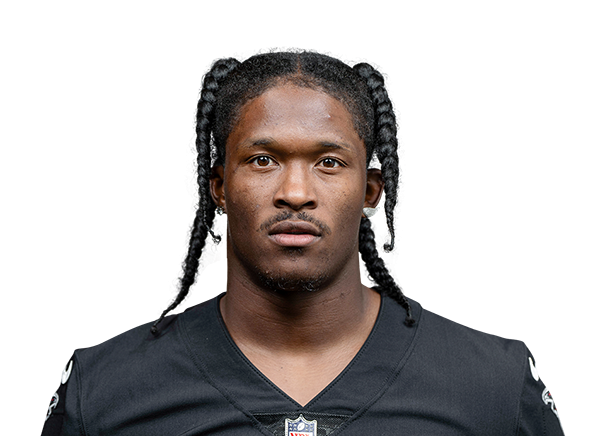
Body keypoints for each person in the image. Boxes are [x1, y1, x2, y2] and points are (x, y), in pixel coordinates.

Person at [35, 49, 565, 435]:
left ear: (370, 190)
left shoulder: (492, 384)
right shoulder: (105, 389)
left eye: (328, 162)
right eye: (263, 160)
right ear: (219, 187)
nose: (294, 192)